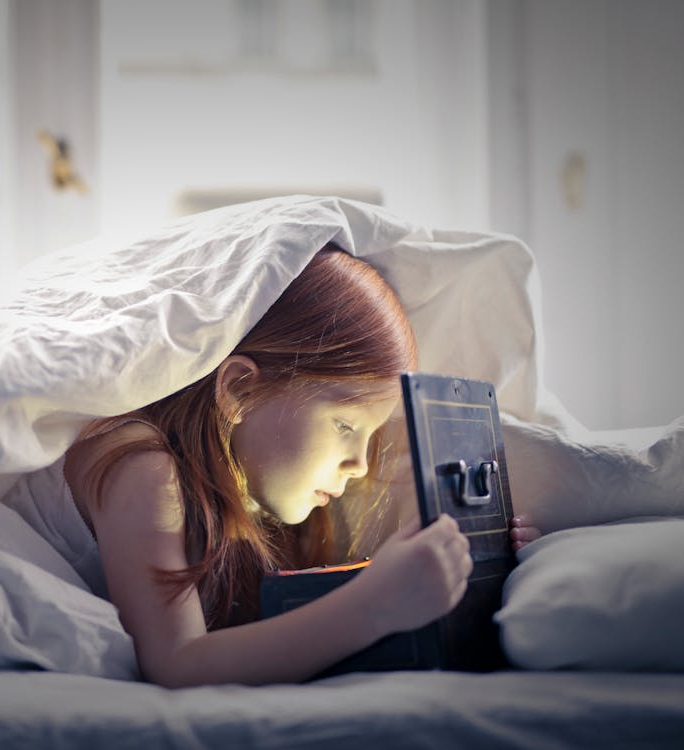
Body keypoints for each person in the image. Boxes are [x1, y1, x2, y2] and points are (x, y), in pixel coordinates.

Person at [49, 245, 542, 687]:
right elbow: (177, 664)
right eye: (346, 427)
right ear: (239, 390)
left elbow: (266, 638)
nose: (358, 465)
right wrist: (373, 603)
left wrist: (471, 566)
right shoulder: (142, 466)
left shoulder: (253, 493)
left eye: (370, 437)